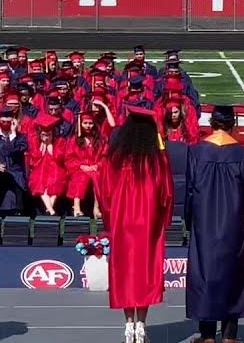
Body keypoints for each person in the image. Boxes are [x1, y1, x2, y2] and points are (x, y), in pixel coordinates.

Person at [100, 105, 173, 343]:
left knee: (124, 272)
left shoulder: (115, 158)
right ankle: (141, 324)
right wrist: (162, 219)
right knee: (145, 272)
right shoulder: (157, 160)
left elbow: (104, 193)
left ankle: (128, 324)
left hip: (122, 223)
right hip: (147, 225)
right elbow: (166, 194)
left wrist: (110, 217)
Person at [186, 105, 244, 343]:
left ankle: (207, 335)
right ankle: (229, 335)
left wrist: (190, 221)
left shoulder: (197, 152)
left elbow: (190, 191)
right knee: (233, 273)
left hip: (204, 222)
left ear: (211, 123)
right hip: (233, 221)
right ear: (232, 124)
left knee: (205, 274)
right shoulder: (243, 154)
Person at [66, 111, 106, 218]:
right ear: (80, 124)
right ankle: (77, 207)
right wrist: (81, 166)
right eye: (85, 123)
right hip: (80, 169)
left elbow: (104, 157)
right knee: (80, 178)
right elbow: (69, 158)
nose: (88, 126)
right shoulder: (74, 140)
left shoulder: (100, 140)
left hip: (95, 169)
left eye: (90, 123)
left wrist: (97, 165)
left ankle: (96, 208)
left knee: (97, 177)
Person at [27, 112, 67, 215]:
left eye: (49, 135)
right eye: (43, 135)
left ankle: (49, 209)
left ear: (53, 133)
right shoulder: (35, 141)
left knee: (56, 181)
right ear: (40, 134)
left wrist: (51, 148)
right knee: (40, 181)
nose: (46, 138)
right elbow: (33, 159)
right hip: (39, 167)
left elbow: (60, 158)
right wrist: (41, 150)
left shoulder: (60, 141)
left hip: (56, 167)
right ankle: (51, 210)